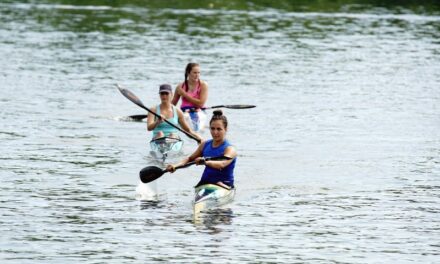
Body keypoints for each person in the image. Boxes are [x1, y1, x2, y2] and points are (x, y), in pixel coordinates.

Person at [166, 110, 237, 189]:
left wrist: (205, 162)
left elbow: (222, 164)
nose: (215, 132)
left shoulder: (230, 149)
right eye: (212, 129)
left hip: (223, 185)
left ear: (226, 129)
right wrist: (175, 166)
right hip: (205, 183)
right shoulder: (205, 145)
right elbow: (189, 159)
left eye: (219, 129)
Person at [172, 63, 209, 131]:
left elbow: (201, 103)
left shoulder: (203, 85)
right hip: (184, 112)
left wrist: (184, 94)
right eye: (195, 73)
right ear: (188, 73)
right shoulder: (180, 87)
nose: (197, 75)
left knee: (194, 129)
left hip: (198, 111)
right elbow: (172, 105)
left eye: (199, 73)